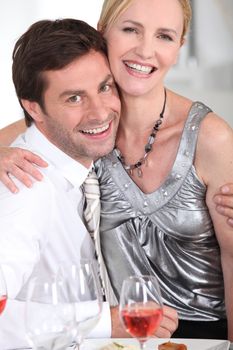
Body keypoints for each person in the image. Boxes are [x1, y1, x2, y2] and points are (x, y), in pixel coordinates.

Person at [0, 0, 233, 341]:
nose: (145, 50)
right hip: (119, 334)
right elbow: (32, 133)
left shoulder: (210, 137)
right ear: (103, 33)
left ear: (179, 47)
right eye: (130, 30)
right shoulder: (79, 136)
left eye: (164, 36)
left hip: (204, 336)